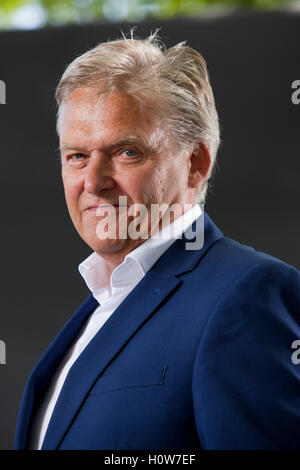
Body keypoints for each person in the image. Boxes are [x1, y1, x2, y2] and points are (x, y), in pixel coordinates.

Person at [15, 32, 300, 450]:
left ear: (195, 163)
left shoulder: (249, 296)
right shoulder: (100, 307)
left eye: (127, 152)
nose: (93, 182)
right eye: (76, 156)